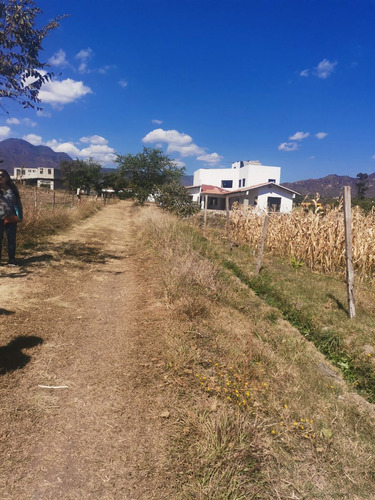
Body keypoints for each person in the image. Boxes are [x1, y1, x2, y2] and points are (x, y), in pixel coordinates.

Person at [0, 169, 23, 266]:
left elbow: (18, 203)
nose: (0, 177)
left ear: (7, 177)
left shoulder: (13, 189)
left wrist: (20, 215)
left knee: (11, 239)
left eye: (2, 175)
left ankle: (11, 260)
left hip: (11, 217)